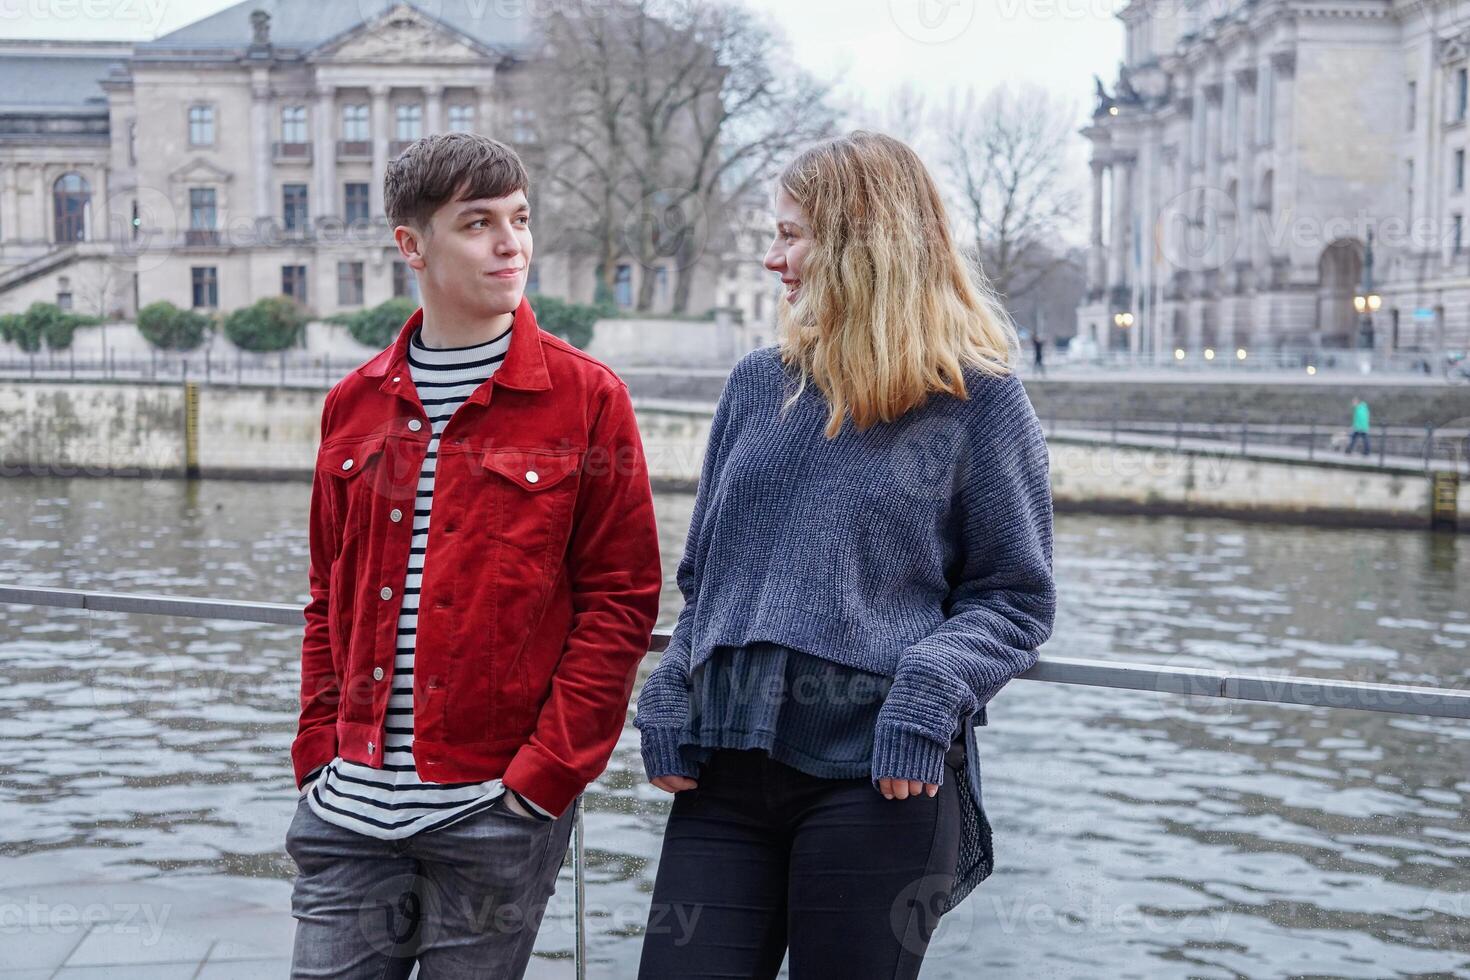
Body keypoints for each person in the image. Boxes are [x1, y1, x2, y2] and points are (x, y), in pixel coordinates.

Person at [633, 131, 1056, 979]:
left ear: (864, 241)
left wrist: (928, 691)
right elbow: (705, 583)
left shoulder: (978, 400)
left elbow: (1015, 599)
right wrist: (671, 687)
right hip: (724, 774)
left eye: (790, 234)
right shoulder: (759, 383)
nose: (770, 258)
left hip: (877, 776)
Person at [285, 132, 661, 979]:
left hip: (494, 811)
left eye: (521, 220)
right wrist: (316, 752)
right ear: (412, 245)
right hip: (347, 809)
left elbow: (622, 600)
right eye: (478, 222)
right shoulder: (353, 403)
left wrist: (544, 779)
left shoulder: (586, 398)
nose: (511, 244)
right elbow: (325, 596)